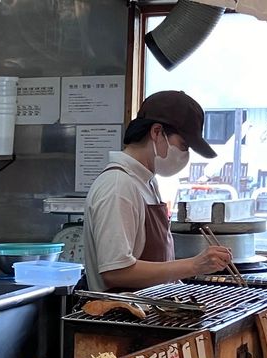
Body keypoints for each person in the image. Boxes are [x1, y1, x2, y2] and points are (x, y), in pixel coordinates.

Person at [83, 90, 232, 291]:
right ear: (156, 132)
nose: (185, 155)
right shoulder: (118, 185)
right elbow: (115, 273)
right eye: (183, 145)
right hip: (121, 318)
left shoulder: (147, 182)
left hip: (151, 314)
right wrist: (194, 265)